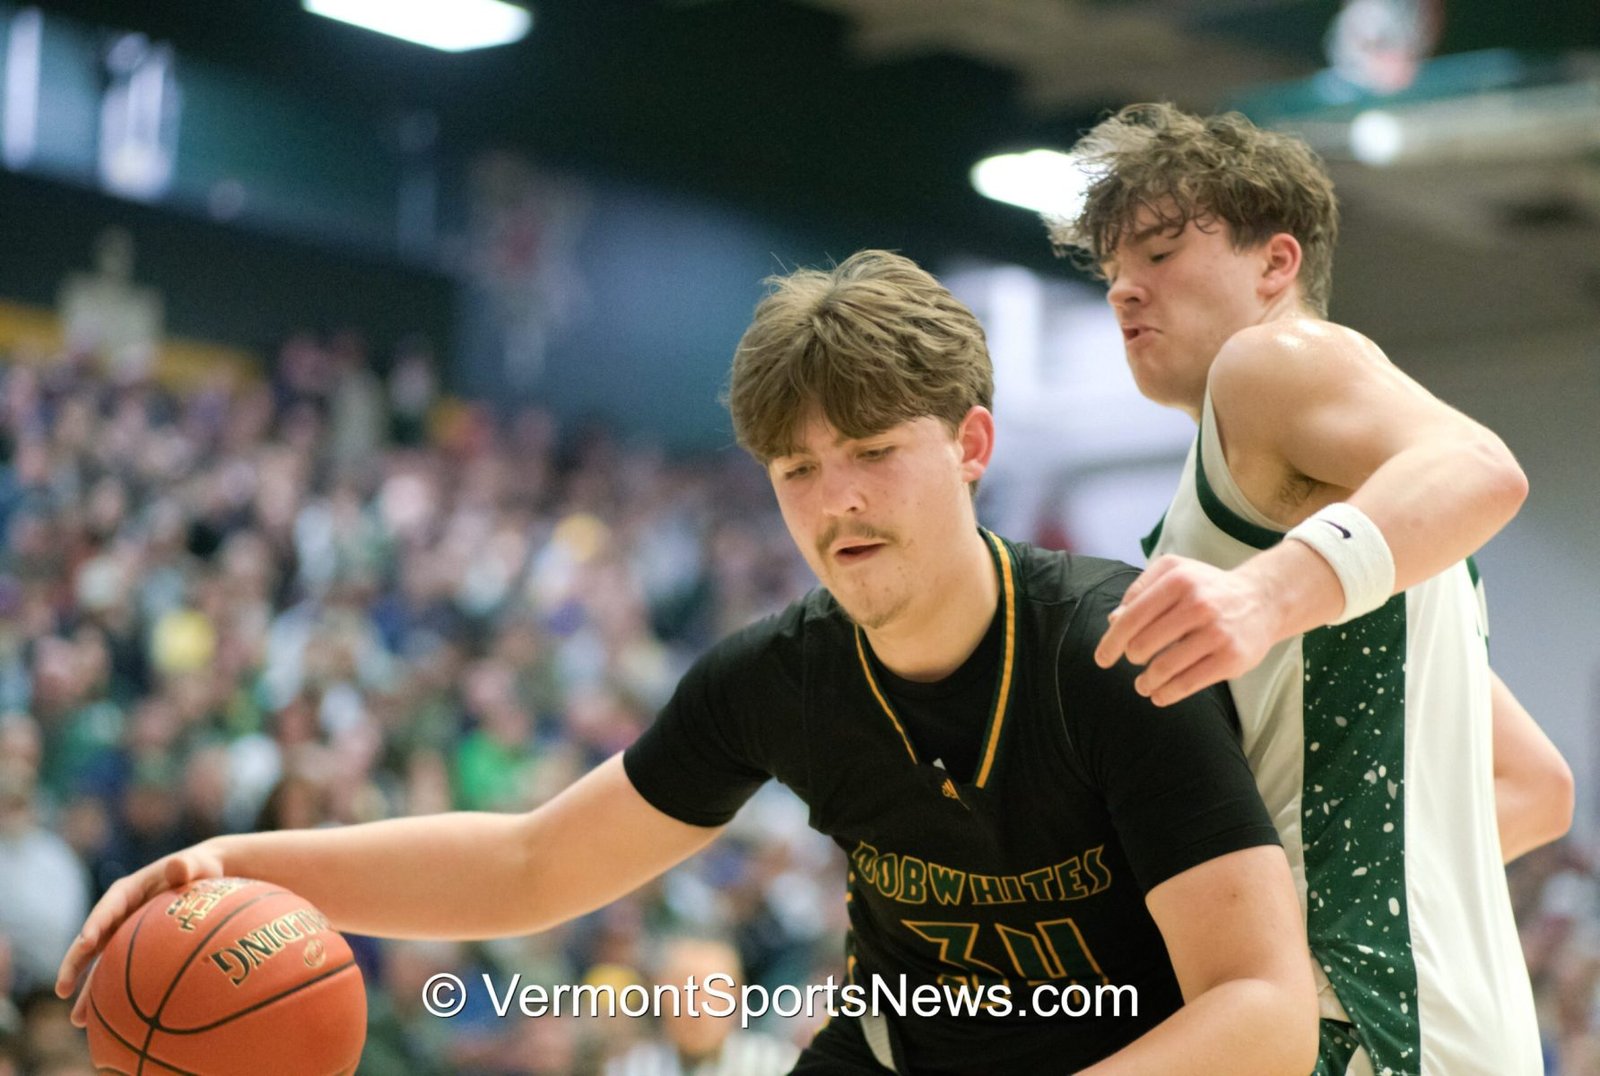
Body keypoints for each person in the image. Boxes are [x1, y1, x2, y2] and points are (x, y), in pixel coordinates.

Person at [57, 250, 1318, 1074]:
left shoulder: (1111, 645)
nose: (836, 500)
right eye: (796, 469)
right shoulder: (775, 677)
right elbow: (530, 862)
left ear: (971, 443)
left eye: (873, 451)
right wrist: (235, 861)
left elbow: (1263, 1009)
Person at [1048, 102, 1575, 1074]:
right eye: (1111, 267)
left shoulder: (1268, 362)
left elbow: (1480, 466)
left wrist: (1261, 595)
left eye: (1159, 251)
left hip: (1351, 1023)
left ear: (1275, 263)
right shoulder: (1370, 535)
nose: (1124, 287)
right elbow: (1536, 788)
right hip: (1451, 1028)